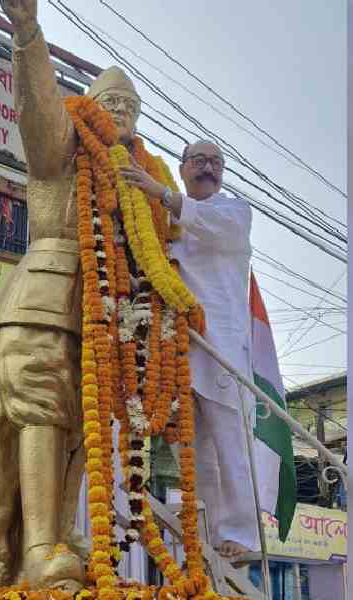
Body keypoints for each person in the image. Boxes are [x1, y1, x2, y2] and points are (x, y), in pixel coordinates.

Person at [0, 0, 146, 592]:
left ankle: (58, 540)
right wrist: (28, 33)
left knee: (78, 431)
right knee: (41, 416)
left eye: (130, 106)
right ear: (91, 108)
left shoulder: (133, 181)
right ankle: (40, 548)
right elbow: (38, 110)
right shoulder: (65, 148)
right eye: (111, 102)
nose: (119, 112)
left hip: (100, 317)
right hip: (44, 298)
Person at [120, 139, 257, 560]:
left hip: (221, 347)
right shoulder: (166, 224)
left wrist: (157, 191)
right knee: (193, 451)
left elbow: (212, 226)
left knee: (230, 442)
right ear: (182, 168)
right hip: (178, 349)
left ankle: (243, 534)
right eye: (199, 160)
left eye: (216, 161)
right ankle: (210, 536)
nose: (208, 167)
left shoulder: (233, 212)